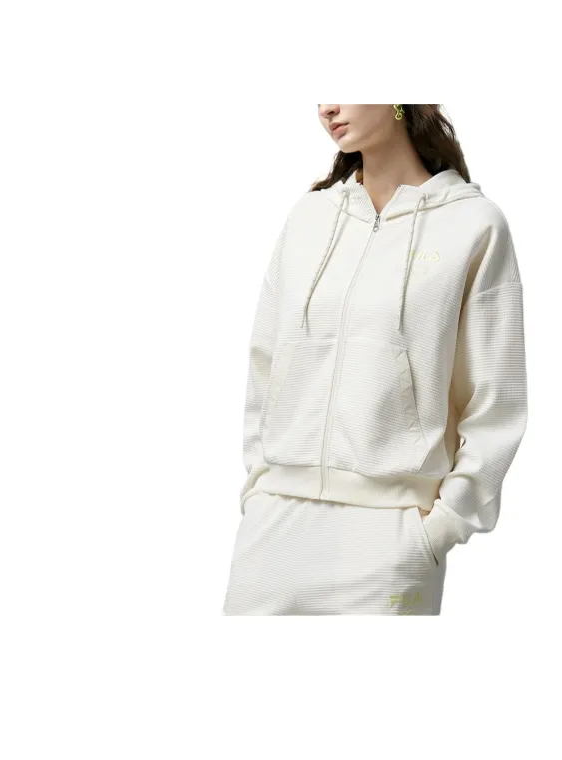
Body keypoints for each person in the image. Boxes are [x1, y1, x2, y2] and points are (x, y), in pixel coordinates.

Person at [222, 104, 528, 615]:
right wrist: (258, 490)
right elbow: (265, 365)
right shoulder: (309, 217)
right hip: (272, 531)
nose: (327, 107)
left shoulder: (473, 225)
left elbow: (496, 399)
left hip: (389, 540)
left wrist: (442, 526)